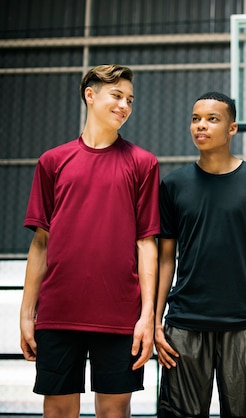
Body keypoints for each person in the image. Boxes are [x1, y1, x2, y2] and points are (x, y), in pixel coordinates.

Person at [19, 64, 160, 418]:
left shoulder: (144, 164)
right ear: (90, 95)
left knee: (114, 412)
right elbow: (41, 243)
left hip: (119, 315)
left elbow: (146, 244)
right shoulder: (52, 161)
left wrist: (147, 316)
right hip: (58, 313)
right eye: (117, 96)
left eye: (130, 99)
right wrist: (26, 313)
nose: (124, 105)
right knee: (59, 411)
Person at [155, 91, 246, 418]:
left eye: (212, 119)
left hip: (244, 324)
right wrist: (155, 321)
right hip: (184, 325)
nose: (201, 126)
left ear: (232, 128)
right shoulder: (173, 184)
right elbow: (164, 258)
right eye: (195, 118)